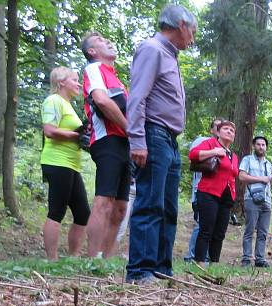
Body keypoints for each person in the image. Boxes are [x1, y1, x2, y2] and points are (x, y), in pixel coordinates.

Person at [125, 5, 197, 284]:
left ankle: (161, 270)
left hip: (170, 140)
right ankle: (140, 271)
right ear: (181, 24)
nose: (192, 38)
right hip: (153, 136)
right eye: (192, 31)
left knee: (168, 207)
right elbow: (137, 97)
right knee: (150, 203)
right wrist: (137, 141)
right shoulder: (152, 49)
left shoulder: (171, 56)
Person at [81, 32, 130, 259]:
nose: (108, 41)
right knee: (104, 201)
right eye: (101, 41)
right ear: (92, 51)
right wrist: (130, 128)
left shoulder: (116, 77)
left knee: (120, 208)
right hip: (107, 140)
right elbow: (101, 100)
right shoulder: (94, 69)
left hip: (126, 144)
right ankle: (92, 260)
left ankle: (107, 260)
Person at [40, 66, 90, 260]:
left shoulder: (68, 105)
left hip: (71, 164)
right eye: (74, 80)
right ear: (61, 82)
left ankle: (73, 257)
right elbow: (50, 131)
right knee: (57, 210)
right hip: (57, 162)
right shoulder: (53, 101)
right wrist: (77, 135)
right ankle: (52, 260)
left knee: (83, 213)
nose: (78, 84)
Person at [188, 121, 239, 264]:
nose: (229, 132)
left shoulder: (234, 156)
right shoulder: (211, 143)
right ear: (218, 132)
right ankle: (199, 263)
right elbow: (192, 154)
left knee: (220, 233)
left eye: (232, 130)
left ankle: (214, 264)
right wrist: (214, 152)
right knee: (206, 229)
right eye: (226, 129)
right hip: (209, 192)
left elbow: (233, 174)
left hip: (227, 196)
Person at [184, 118, 222, 262]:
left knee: (212, 226)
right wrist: (214, 151)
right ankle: (192, 255)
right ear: (211, 130)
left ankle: (204, 256)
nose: (220, 129)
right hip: (201, 190)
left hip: (218, 194)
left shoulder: (226, 149)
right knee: (202, 224)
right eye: (217, 127)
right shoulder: (203, 141)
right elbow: (193, 157)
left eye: (222, 127)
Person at [239, 135, 272, 267]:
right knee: (249, 229)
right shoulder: (247, 160)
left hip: (266, 200)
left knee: (263, 232)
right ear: (254, 146)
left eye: (263, 145)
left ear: (266, 147)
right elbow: (242, 176)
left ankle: (260, 258)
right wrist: (261, 178)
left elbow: (269, 183)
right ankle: (246, 258)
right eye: (258, 144)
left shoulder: (269, 163)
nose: (261, 147)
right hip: (251, 199)